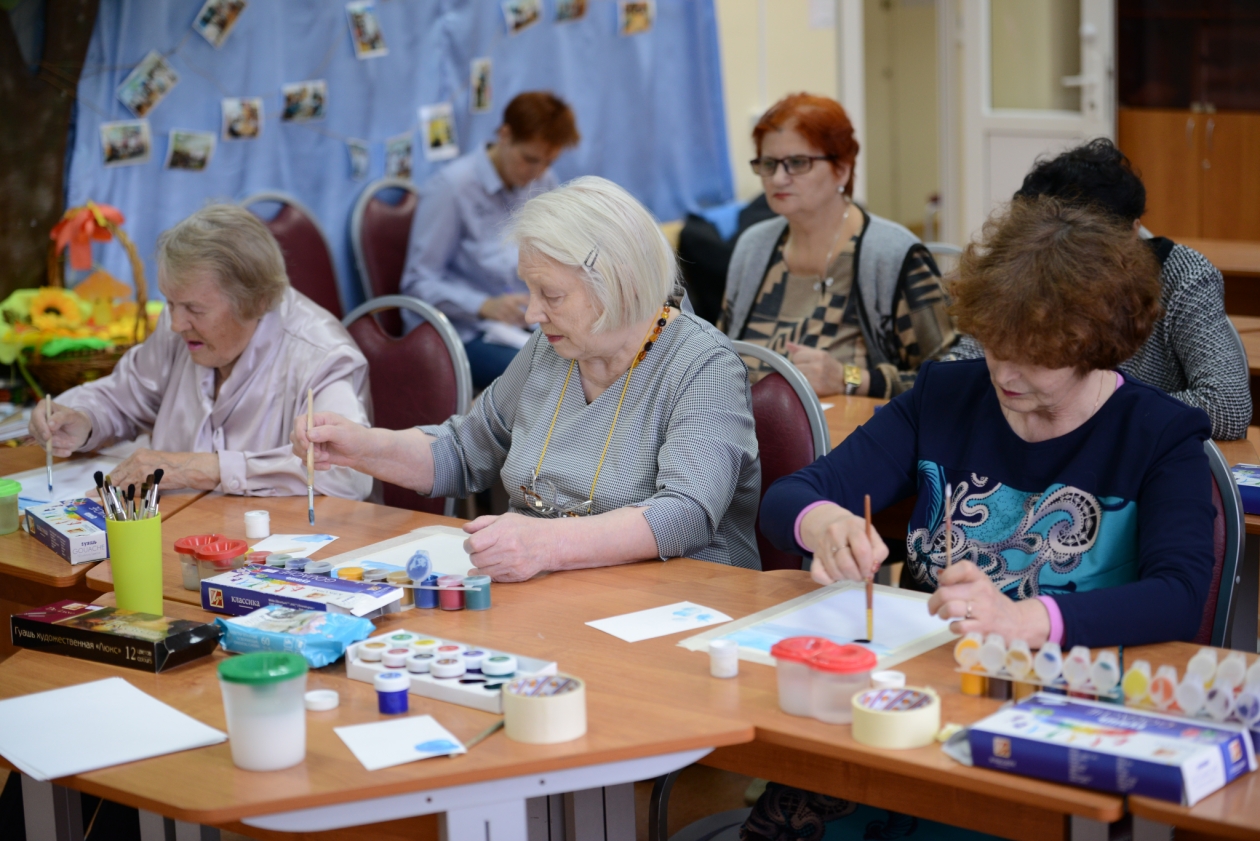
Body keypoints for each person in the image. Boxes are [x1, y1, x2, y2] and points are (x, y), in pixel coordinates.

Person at [747, 198, 1214, 840]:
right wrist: (826, 524)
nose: (1005, 373)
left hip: (1056, 725)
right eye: (996, 345)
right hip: (916, 704)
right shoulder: (948, 397)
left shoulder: (1160, 436)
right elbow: (790, 496)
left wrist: (1025, 619)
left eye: (1036, 357)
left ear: (1097, 347)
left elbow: (1181, 598)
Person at [295, 177, 761, 578]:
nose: (533, 312)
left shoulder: (703, 365)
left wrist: (548, 545)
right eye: (530, 290)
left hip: (676, 608)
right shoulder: (554, 347)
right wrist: (362, 446)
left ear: (621, 285)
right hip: (558, 596)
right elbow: (463, 451)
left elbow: (686, 515)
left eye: (552, 295)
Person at [31, 204, 372, 500]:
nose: (177, 323)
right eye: (170, 303)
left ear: (257, 303)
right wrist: (83, 418)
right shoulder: (179, 326)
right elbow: (126, 396)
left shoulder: (322, 357)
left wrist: (203, 469)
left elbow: (347, 473)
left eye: (194, 308)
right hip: (181, 537)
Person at [951, 138, 1251, 440]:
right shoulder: (1025, 267)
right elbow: (959, 373)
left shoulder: (1183, 277)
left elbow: (1227, 407)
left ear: (1131, 233)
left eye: (1079, 253)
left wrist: (1087, 408)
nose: (1055, 269)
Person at [719, 93, 957, 398]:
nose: (778, 178)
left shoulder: (891, 255)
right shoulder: (753, 247)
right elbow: (718, 358)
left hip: (855, 438)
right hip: (746, 436)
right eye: (768, 163)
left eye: (797, 163)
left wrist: (851, 378)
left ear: (842, 169)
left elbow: (951, 377)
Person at [400, 91, 581, 388]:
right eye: (530, 159)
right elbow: (417, 283)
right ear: (505, 135)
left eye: (547, 163)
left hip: (523, 322)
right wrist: (483, 305)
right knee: (548, 378)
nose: (537, 172)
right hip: (466, 331)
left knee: (595, 356)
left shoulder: (543, 180)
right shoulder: (452, 189)